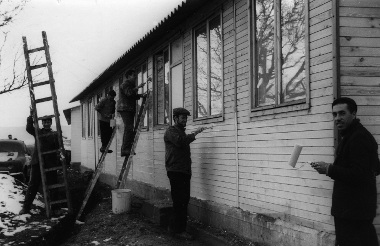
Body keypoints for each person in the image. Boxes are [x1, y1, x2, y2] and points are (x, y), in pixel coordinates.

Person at [311, 97, 380, 246]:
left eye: (342, 113)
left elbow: (359, 174)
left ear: (353, 113)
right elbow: (375, 168)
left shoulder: (358, 137)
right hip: (351, 211)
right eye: (334, 114)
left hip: (354, 213)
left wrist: (329, 169)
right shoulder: (352, 135)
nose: (337, 118)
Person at [164, 107, 206, 240]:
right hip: (175, 171)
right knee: (179, 201)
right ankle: (179, 230)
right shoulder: (171, 131)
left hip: (184, 171)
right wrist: (194, 134)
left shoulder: (181, 132)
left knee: (183, 200)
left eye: (186, 118)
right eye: (183, 118)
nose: (185, 120)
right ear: (175, 118)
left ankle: (174, 228)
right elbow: (180, 143)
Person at [20, 108, 61, 216]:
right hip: (37, 162)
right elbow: (29, 128)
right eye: (45, 122)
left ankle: (55, 208)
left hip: (50, 163)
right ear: (42, 123)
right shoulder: (38, 132)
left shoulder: (54, 134)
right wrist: (30, 117)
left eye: (48, 122)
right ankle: (26, 207)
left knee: (53, 185)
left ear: (51, 123)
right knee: (33, 185)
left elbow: (58, 147)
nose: (47, 123)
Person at [117, 69, 148, 157]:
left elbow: (132, 95)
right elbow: (129, 93)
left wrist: (141, 95)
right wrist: (138, 87)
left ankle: (127, 148)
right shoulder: (125, 84)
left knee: (130, 128)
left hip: (129, 108)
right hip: (125, 108)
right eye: (134, 75)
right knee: (129, 128)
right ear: (129, 76)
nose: (135, 77)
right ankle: (125, 149)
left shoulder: (130, 85)